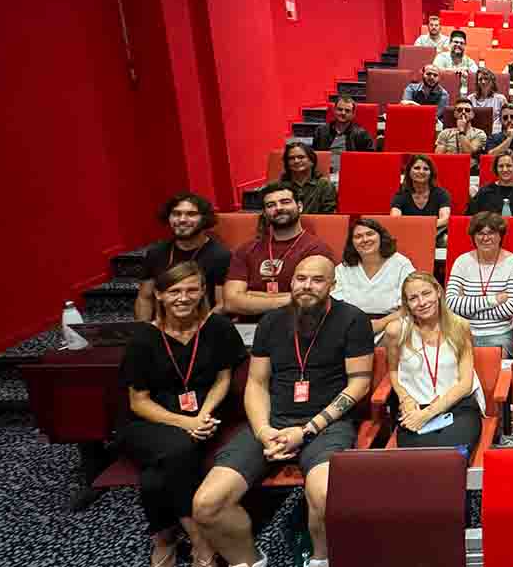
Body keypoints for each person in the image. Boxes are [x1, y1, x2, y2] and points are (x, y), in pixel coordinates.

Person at [192, 256, 373, 567]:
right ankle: (249, 561)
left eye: (317, 280)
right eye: (301, 278)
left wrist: (306, 431)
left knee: (326, 496)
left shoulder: (352, 320)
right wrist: (264, 431)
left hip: (327, 424)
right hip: (272, 421)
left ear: (333, 284)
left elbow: (359, 383)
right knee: (207, 504)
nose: (307, 285)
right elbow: (257, 384)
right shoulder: (272, 322)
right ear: (292, 281)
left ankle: (320, 560)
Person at [119, 262, 245, 567]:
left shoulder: (218, 328)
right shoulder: (142, 339)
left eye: (192, 289)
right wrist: (187, 422)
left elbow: (223, 378)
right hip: (151, 421)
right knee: (180, 448)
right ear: (159, 295)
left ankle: (162, 538)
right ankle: (200, 539)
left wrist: (203, 414)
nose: (183, 297)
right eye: (174, 291)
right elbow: (139, 402)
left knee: (154, 478)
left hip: (204, 414)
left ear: (203, 291)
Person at [384, 272, 486, 457]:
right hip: (415, 409)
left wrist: (427, 415)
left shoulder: (460, 326)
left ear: (438, 292)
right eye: (413, 298)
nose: (422, 302)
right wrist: (405, 398)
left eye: (426, 293)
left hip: (457, 406)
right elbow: (393, 371)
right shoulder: (396, 331)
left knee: (452, 458)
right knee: (419, 463)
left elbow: (465, 384)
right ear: (407, 304)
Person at [224, 183, 336, 319]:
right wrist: (291, 297)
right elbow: (231, 302)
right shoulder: (246, 250)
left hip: (297, 323)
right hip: (248, 326)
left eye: (285, 202)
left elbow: (313, 299)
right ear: (264, 213)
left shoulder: (316, 249)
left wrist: (251, 295)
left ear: (299, 206)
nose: (279, 208)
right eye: (271, 205)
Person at [136, 193, 232, 322]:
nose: (182, 220)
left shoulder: (220, 256)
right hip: (163, 326)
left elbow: (222, 305)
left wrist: (194, 331)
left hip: (201, 325)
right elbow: (145, 298)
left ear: (204, 218)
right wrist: (145, 330)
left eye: (191, 214)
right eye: (176, 214)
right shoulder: (156, 253)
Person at [445, 212, 513, 358]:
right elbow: (451, 304)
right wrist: (494, 300)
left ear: (500, 236)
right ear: (473, 236)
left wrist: (468, 308)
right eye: (480, 233)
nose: (485, 238)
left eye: (491, 233)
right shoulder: (462, 262)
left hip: (499, 335)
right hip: (464, 333)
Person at [331, 218, 416, 335]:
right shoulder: (343, 269)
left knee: (395, 330)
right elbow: (334, 306)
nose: (365, 240)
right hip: (351, 326)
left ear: (381, 237)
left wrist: (381, 323)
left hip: (390, 324)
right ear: (352, 242)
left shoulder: (400, 264)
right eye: (358, 236)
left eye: (370, 234)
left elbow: (412, 302)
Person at [468, 151, 513, 238]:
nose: (505, 169)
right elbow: (471, 218)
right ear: (496, 169)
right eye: (501, 166)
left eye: (509, 166)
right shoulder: (484, 192)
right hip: (487, 240)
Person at [389, 153, 452, 244]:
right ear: (409, 172)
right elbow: (395, 219)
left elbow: (445, 219)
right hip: (408, 235)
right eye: (417, 168)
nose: (421, 172)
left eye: (426, 169)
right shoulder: (401, 195)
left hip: (435, 234)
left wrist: (420, 226)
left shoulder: (441, 194)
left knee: (448, 240)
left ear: (431, 173)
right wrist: (419, 228)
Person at [310, 95, 374, 175]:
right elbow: (313, 156)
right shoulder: (321, 131)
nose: (343, 113)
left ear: (353, 114)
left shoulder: (361, 134)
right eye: (340, 109)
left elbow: (369, 159)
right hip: (324, 174)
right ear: (334, 111)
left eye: (347, 111)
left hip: (350, 174)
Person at [277, 142, 337, 214]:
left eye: (301, 157)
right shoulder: (279, 186)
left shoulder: (325, 185)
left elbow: (328, 215)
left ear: (312, 161)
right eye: (291, 158)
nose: (296, 161)